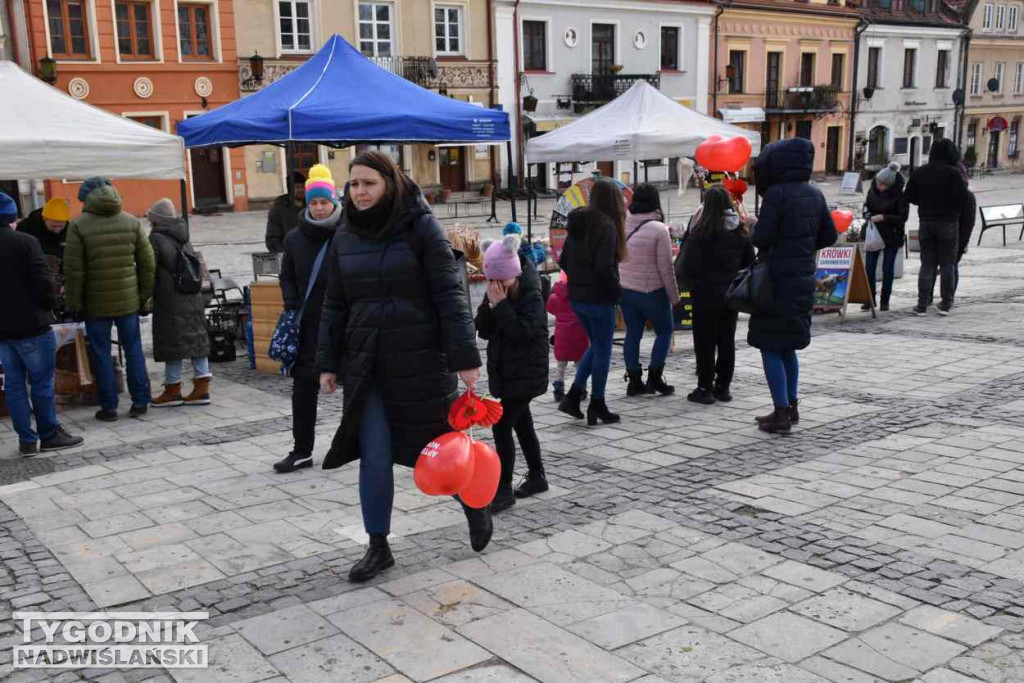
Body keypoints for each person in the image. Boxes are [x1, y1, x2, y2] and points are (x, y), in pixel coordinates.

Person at [317, 151, 491, 582]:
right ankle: (378, 546)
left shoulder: (421, 227)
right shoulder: (344, 235)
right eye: (353, 184)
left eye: (368, 184)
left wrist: (466, 359)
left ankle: (473, 504)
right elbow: (334, 303)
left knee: (436, 454)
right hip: (367, 364)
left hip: (419, 360)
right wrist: (327, 362)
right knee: (374, 455)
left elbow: (450, 296)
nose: (358, 192)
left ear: (390, 184)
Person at [748, 139, 838, 434]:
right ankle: (791, 406)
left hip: (776, 280)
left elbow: (761, 238)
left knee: (769, 345)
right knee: (788, 345)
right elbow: (829, 235)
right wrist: (803, 244)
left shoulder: (776, 194)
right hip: (802, 276)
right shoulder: (815, 192)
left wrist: (752, 226)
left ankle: (781, 412)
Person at [64, 178, 155, 421]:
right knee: (134, 350)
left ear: (86, 199)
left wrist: (75, 303)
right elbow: (147, 264)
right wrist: (144, 297)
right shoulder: (131, 221)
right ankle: (140, 402)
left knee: (101, 354)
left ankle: (109, 407)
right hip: (128, 302)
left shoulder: (78, 226)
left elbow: (74, 272)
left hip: (96, 305)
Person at [0, 192, 84, 456]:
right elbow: (44, 283)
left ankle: (26, 440)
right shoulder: (26, 242)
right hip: (32, 325)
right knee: (41, 383)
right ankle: (48, 433)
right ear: (11, 218)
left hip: (2, 331)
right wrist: (51, 306)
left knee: (14, 385)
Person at [274, 165, 342, 473]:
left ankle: (354, 444)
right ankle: (302, 450)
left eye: (323, 202)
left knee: (355, 387)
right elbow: (286, 275)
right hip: (307, 324)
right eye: (313, 202)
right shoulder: (294, 239)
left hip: (343, 324)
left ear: (333, 201)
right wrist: (292, 302)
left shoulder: (348, 234)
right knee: (303, 390)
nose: (317, 207)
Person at [475, 233, 550, 513]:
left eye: (500, 281)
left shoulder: (531, 292)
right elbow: (483, 328)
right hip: (507, 370)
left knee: (502, 425)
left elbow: (523, 333)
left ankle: (503, 490)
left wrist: (502, 306)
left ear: (514, 274)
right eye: (490, 282)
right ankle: (537, 476)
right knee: (522, 423)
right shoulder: (497, 287)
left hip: (528, 370)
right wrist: (492, 305)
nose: (495, 287)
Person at [557, 179, 627, 426]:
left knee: (596, 346)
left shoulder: (578, 223)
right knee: (603, 350)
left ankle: (574, 396)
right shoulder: (607, 226)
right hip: (599, 298)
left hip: (578, 298)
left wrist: (579, 279)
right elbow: (604, 267)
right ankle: (597, 403)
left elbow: (563, 261)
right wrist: (617, 293)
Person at [679, 185, 755, 405]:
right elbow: (749, 261)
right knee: (726, 340)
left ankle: (704, 387)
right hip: (730, 294)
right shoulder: (739, 230)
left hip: (704, 293)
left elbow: (688, 265)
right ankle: (723, 386)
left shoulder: (700, 232)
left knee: (704, 341)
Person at [147, 199, 212, 408]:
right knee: (196, 340)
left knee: (172, 343)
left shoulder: (156, 239)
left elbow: (150, 271)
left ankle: (172, 389)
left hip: (170, 300)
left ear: (156, 220)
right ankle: (202, 389)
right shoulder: (184, 235)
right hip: (192, 297)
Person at [618, 183, 681, 397]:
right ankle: (655, 378)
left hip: (626, 288)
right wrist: (674, 296)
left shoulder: (623, 221)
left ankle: (634, 380)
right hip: (652, 291)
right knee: (664, 331)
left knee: (632, 333)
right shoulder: (659, 229)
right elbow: (666, 267)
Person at [904, 139, 971, 316]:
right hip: (948, 223)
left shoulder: (921, 172)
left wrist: (924, 202)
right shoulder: (954, 174)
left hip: (926, 222)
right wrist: (953, 208)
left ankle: (921, 305)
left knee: (927, 264)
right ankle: (946, 304)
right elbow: (964, 198)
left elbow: (909, 195)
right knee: (947, 264)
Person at [862, 162, 909, 312]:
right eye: (878, 183)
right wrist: (867, 213)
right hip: (874, 232)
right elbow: (867, 205)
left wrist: (884, 217)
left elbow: (903, 216)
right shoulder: (873, 189)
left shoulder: (900, 194)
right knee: (869, 266)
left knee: (887, 268)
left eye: (883, 185)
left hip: (892, 234)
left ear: (890, 185)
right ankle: (870, 298)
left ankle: (884, 300)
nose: (879, 186)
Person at [546, 271, 588, 402]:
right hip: (579, 335)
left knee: (561, 365)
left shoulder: (554, 297)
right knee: (579, 364)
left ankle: (558, 390)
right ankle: (580, 388)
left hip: (562, 337)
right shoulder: (581, 297)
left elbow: (550, 308)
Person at [265, 170, 307, 253]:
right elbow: (272, 238)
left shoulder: (310, 206)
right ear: (290, 189)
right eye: (297, 187)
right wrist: (285, 253)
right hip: (287, 253)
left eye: (303, 187)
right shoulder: (278, 209)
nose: (301, 190)